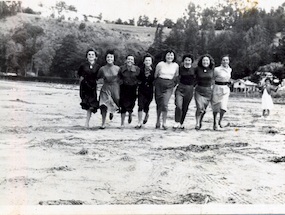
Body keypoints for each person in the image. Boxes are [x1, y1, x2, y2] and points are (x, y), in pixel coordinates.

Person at [154, 50, 179, 130]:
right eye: (168, 55)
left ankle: (164, 122)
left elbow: (176, 76)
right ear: (165, 56)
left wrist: (173, 85)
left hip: (169, 85)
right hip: (159, 84)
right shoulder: (160, 64)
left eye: (171, 55)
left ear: (174, 57)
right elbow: (155, 75)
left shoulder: (175, 65)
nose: (170, 57)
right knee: (159, 103)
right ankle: (158, 120)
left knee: (165, 104)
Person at [97, 50, 120, 129]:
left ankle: (112, 111)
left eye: (111, 57)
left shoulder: (118, 68)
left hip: (115, 87)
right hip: (105, 87)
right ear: (105, 58)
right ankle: (103, 123)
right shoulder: (102, 69)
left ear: (114, 58)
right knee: (103, 104)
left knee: (117, 100)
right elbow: (97, 77)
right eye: (108, 57)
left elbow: (122, 78)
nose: (109, 58)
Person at [78, 48, 100, 128]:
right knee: (86, 104)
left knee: (92, 104)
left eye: (92, 54)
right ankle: (87, 122)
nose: (91, 56)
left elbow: (99, 76)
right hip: (84, 87)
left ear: (95, 57)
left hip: (92, 86)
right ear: (87, 56)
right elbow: (79, 74)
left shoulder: (97, 66)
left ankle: (87, 122)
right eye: (89, 54)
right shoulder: (83, 65)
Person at [173, 54, 195, 130]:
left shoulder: (194, 69)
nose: (187, 62)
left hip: (190, 89)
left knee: (185, 107)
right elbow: (175, 78)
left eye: (189, 60)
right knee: (178, 106)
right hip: (180, 88)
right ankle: (176, 122)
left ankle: (181, 123)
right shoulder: (179, 68)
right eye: (186, 60)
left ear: (192, 61)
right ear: (183, 61)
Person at [194, 54, 215, 130]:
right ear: (201, 61)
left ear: (209, 62)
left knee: (203, 110)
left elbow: (215, 80)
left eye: (207, 60)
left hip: (208, 91)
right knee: (199, 107)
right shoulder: (197, 69)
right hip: (199, 90)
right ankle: (197, 123)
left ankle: (200, 121)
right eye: (204, 60)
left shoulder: (212, 69)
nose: (205, 62)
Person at [118, 54, 140, 128]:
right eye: (128, 59)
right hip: (123, 89)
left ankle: (130, 114)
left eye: (131, 59)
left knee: (131, 104)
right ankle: (122, 123)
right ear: (126, 60)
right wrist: (121, 82)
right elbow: (119, 77)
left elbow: (139, 78)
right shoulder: (121, 68)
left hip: (133, 89)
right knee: (123, 106)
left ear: (133, 61)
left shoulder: (137, 69)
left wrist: (137, 84)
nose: (130, 60)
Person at [212, 55, 232, 130]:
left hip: (225, 89)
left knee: (223, 107)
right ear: (221, 61)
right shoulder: (217, 69)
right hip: (217, 88)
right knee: (216, 106)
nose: (225, 61)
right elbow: (212, 78)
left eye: (226, 60)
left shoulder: (230, 69)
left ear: (228, 61)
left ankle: (220, 121)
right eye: (223, 60)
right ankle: (215, 122)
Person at [135, 53, 155, 129]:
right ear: (143, 61)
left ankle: (146, 114)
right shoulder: (140, 69)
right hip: (141, 89)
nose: (147, 62)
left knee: (146, 105)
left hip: (149, 90)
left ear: (151, 62)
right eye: (146, 60)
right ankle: (139, 122)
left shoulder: (154, 70)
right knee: (140, 105)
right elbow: (137, 78)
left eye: (149, 60)